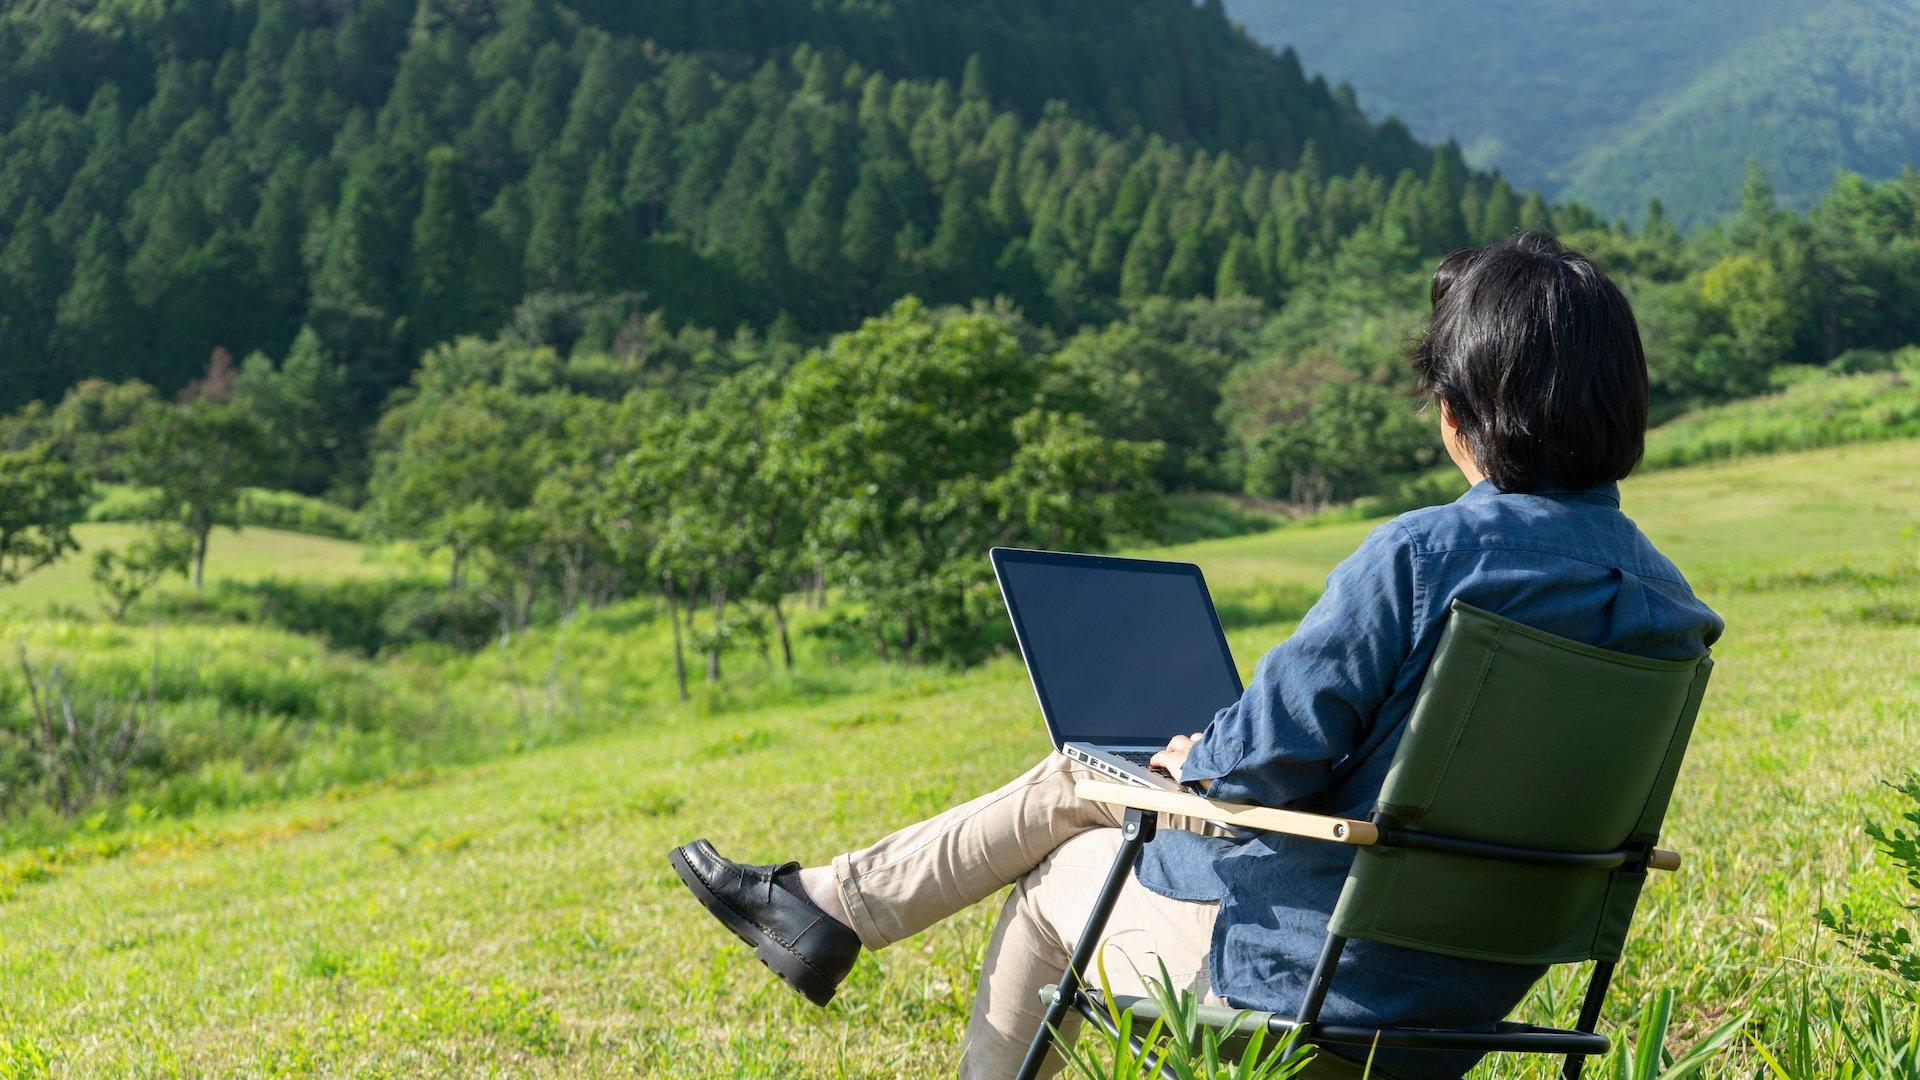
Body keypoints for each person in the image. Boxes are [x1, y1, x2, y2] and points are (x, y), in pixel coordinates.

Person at [667, 231, 1724, 1079]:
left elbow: (1259, 764)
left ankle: (830, 908)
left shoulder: (1422, 556)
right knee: (1087, 786)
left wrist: (1196, 763)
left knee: (1057, 863)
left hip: (1315, 978)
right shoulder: (1676, 609)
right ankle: (830, 902)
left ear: (1458, 416)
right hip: (1473, 992)